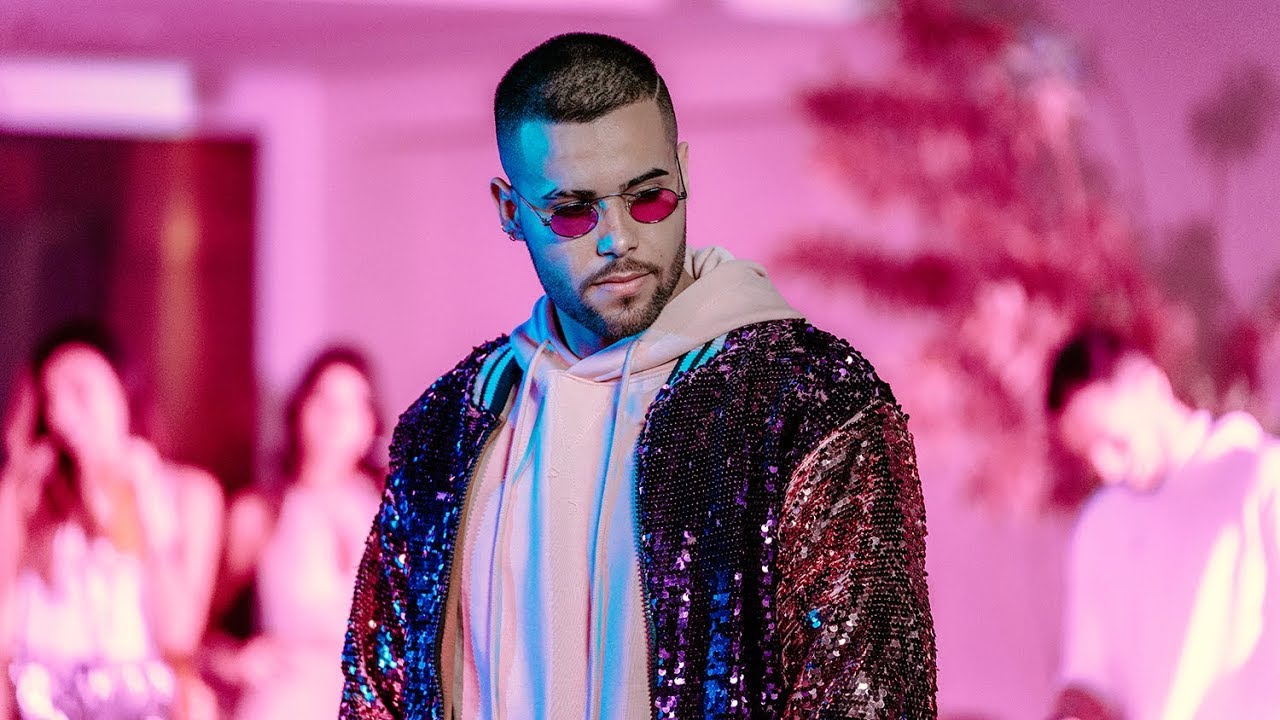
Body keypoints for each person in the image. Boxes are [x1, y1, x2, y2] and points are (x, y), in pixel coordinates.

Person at [340, 32, 936, 719]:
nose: (618, 238)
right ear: (510, 212)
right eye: (573, 211)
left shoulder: (805, 400)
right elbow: (376, 693)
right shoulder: (450, 427)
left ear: (683, 172)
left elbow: (869, 695)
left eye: (648, 197)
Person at [1046, 328, 1280, 720]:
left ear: (1152, 388)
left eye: (1114, 441)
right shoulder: (1100, 524)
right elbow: (1089, 676)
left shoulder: (1260, 478)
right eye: (1087, 454)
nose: (1106, 468)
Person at [0, 322, 225, 720]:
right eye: (51, 398)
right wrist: (14, 487)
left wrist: (148, 506)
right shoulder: (34, 497)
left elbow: (180, 635)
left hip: (142, 702)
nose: (62, 413)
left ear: (124, 389)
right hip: (44, 700)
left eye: (81, 391)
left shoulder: (188, 492)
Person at [213, 347, 384, 719]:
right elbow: (198, 628)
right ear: (299, 409)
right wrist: (234, 660)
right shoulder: (261, 511)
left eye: (353, 404)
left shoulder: (393, 511)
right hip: (290, 699)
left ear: (371, 423)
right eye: (323, 398)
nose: (336, 416)